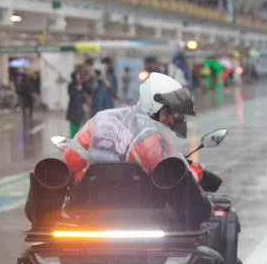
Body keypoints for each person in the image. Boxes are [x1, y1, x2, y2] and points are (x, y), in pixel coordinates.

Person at [61, 72, 196, 183]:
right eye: (168, 112)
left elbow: (70, 163)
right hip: (139, 208)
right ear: (153, 105)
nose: (171, 118)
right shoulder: (152, 138)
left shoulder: (102, 118)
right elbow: (173, 180)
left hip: (91, 203)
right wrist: (197, 174)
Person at [66, 71, 85, 138]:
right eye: (77, 76)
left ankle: (77, 137)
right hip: (73, 107)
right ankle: (73, 136)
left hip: (79, 106)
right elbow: (71, 95)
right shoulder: (71, 85)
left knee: (78, 122)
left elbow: (82, 95)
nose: (78, 77)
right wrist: (77, 89)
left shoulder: (80, 84)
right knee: (73, 122)